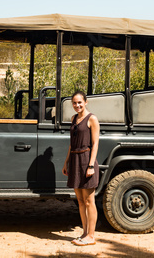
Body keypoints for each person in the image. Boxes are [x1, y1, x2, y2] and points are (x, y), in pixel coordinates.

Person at [62, 91, 100, 246]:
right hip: (75, 160)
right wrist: (66, 162)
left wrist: (91, 165)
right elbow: (72, 144)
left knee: (90, 200)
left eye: (80, 102)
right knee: (80, 200)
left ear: (86, 102)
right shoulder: (73, 119)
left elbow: (96, 143)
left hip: (86, 160)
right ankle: (84, 233)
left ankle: (91, 236)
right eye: (74, 103)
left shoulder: (92, 119)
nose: (77, 105)